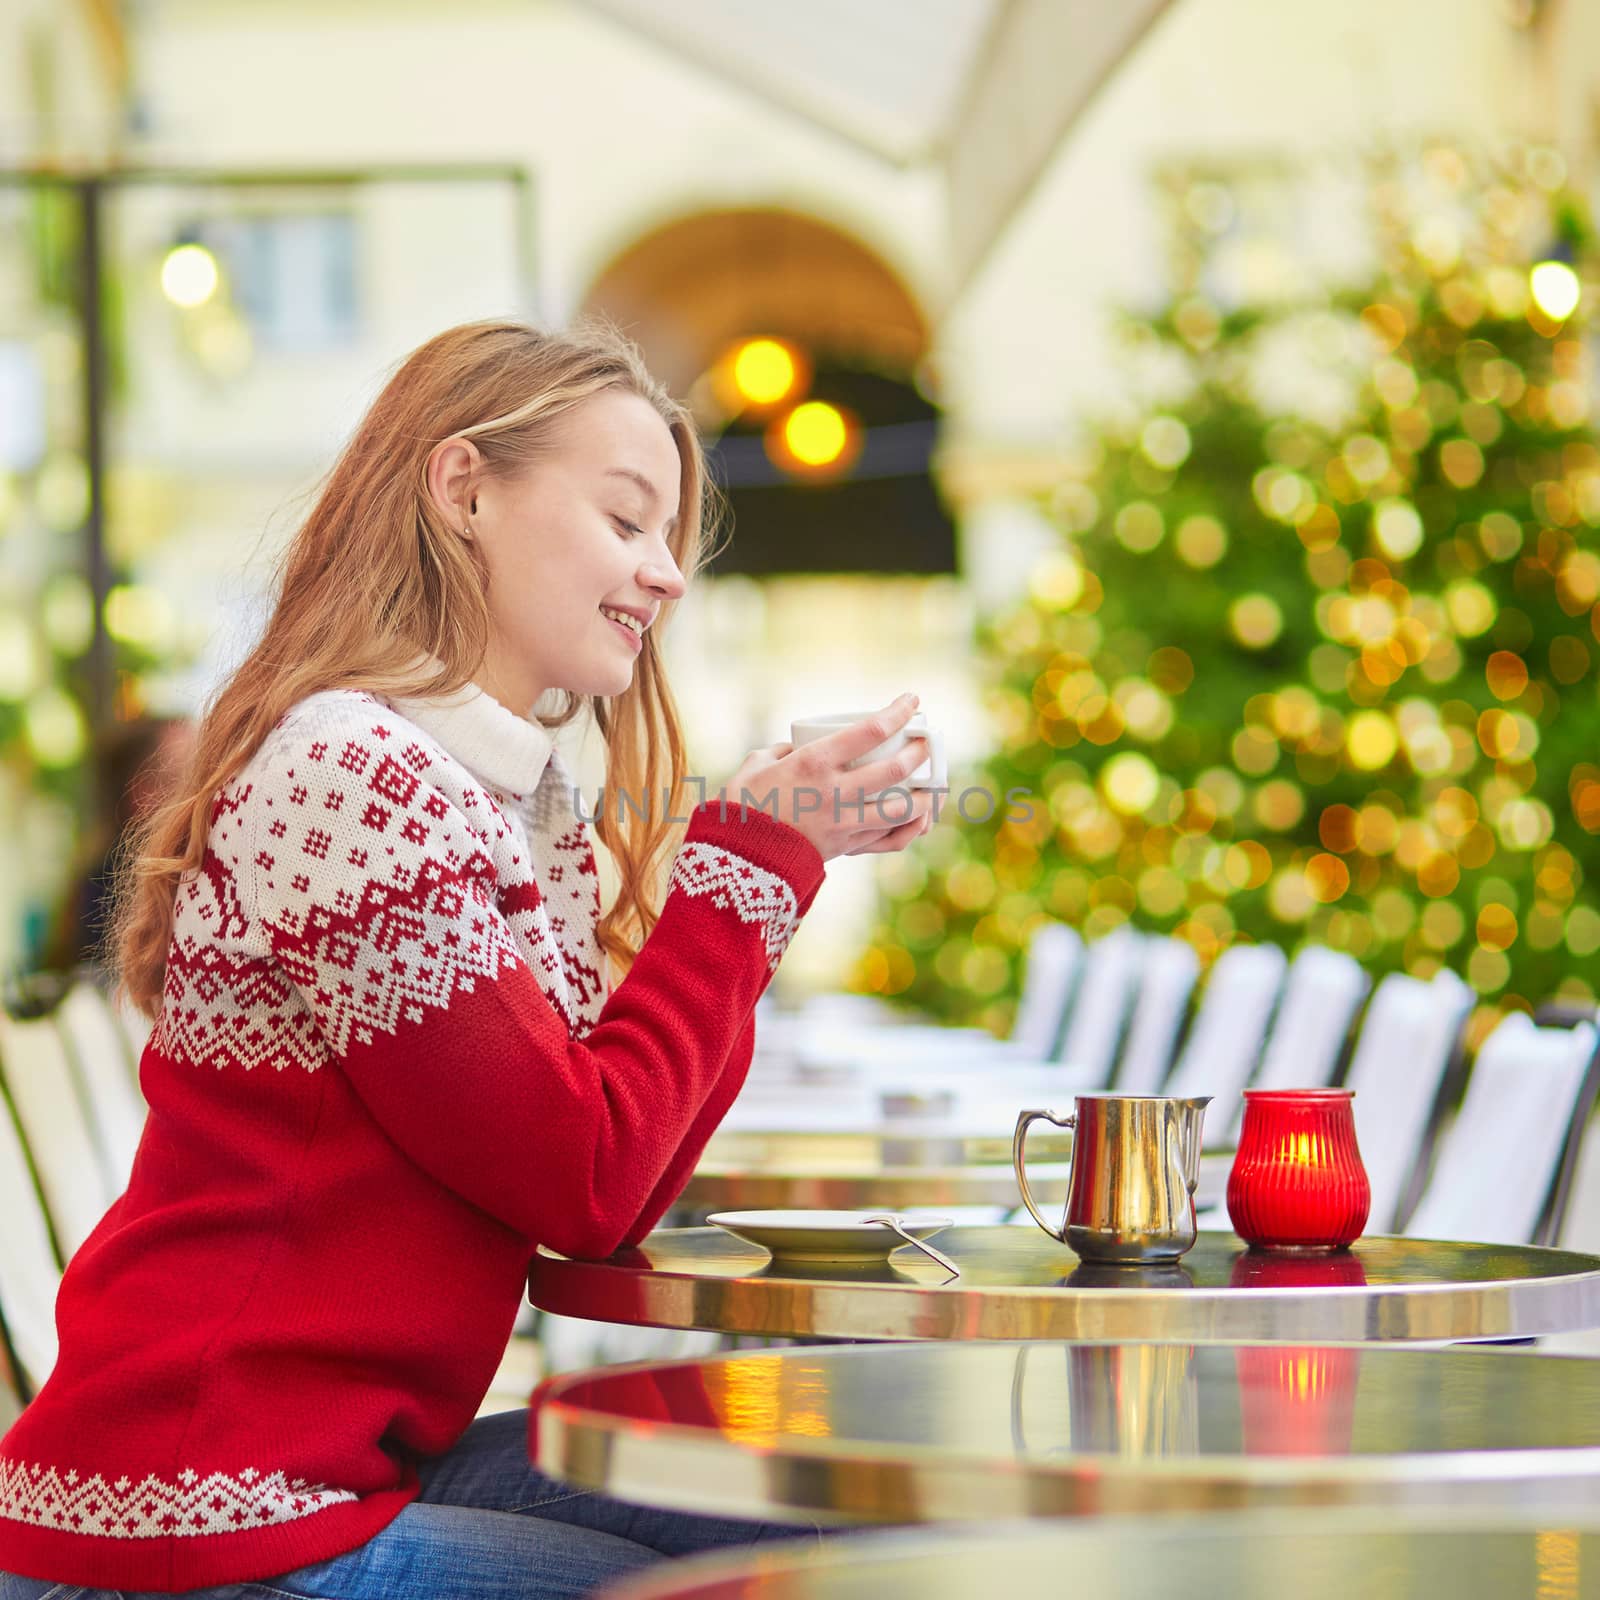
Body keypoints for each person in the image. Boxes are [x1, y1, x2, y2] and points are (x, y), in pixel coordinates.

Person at [0, 320, 935, 1599]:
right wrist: (749, 869)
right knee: (794, 1568)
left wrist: (767, 876)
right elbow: (584, 1177)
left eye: (668, 538)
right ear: (463, 490)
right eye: (626, 520)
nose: (664, 575)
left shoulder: (480, 795)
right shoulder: (351, 774)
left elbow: (617, 1169)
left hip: (330, 1472)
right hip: (195, 1517)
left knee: (842, 1505)